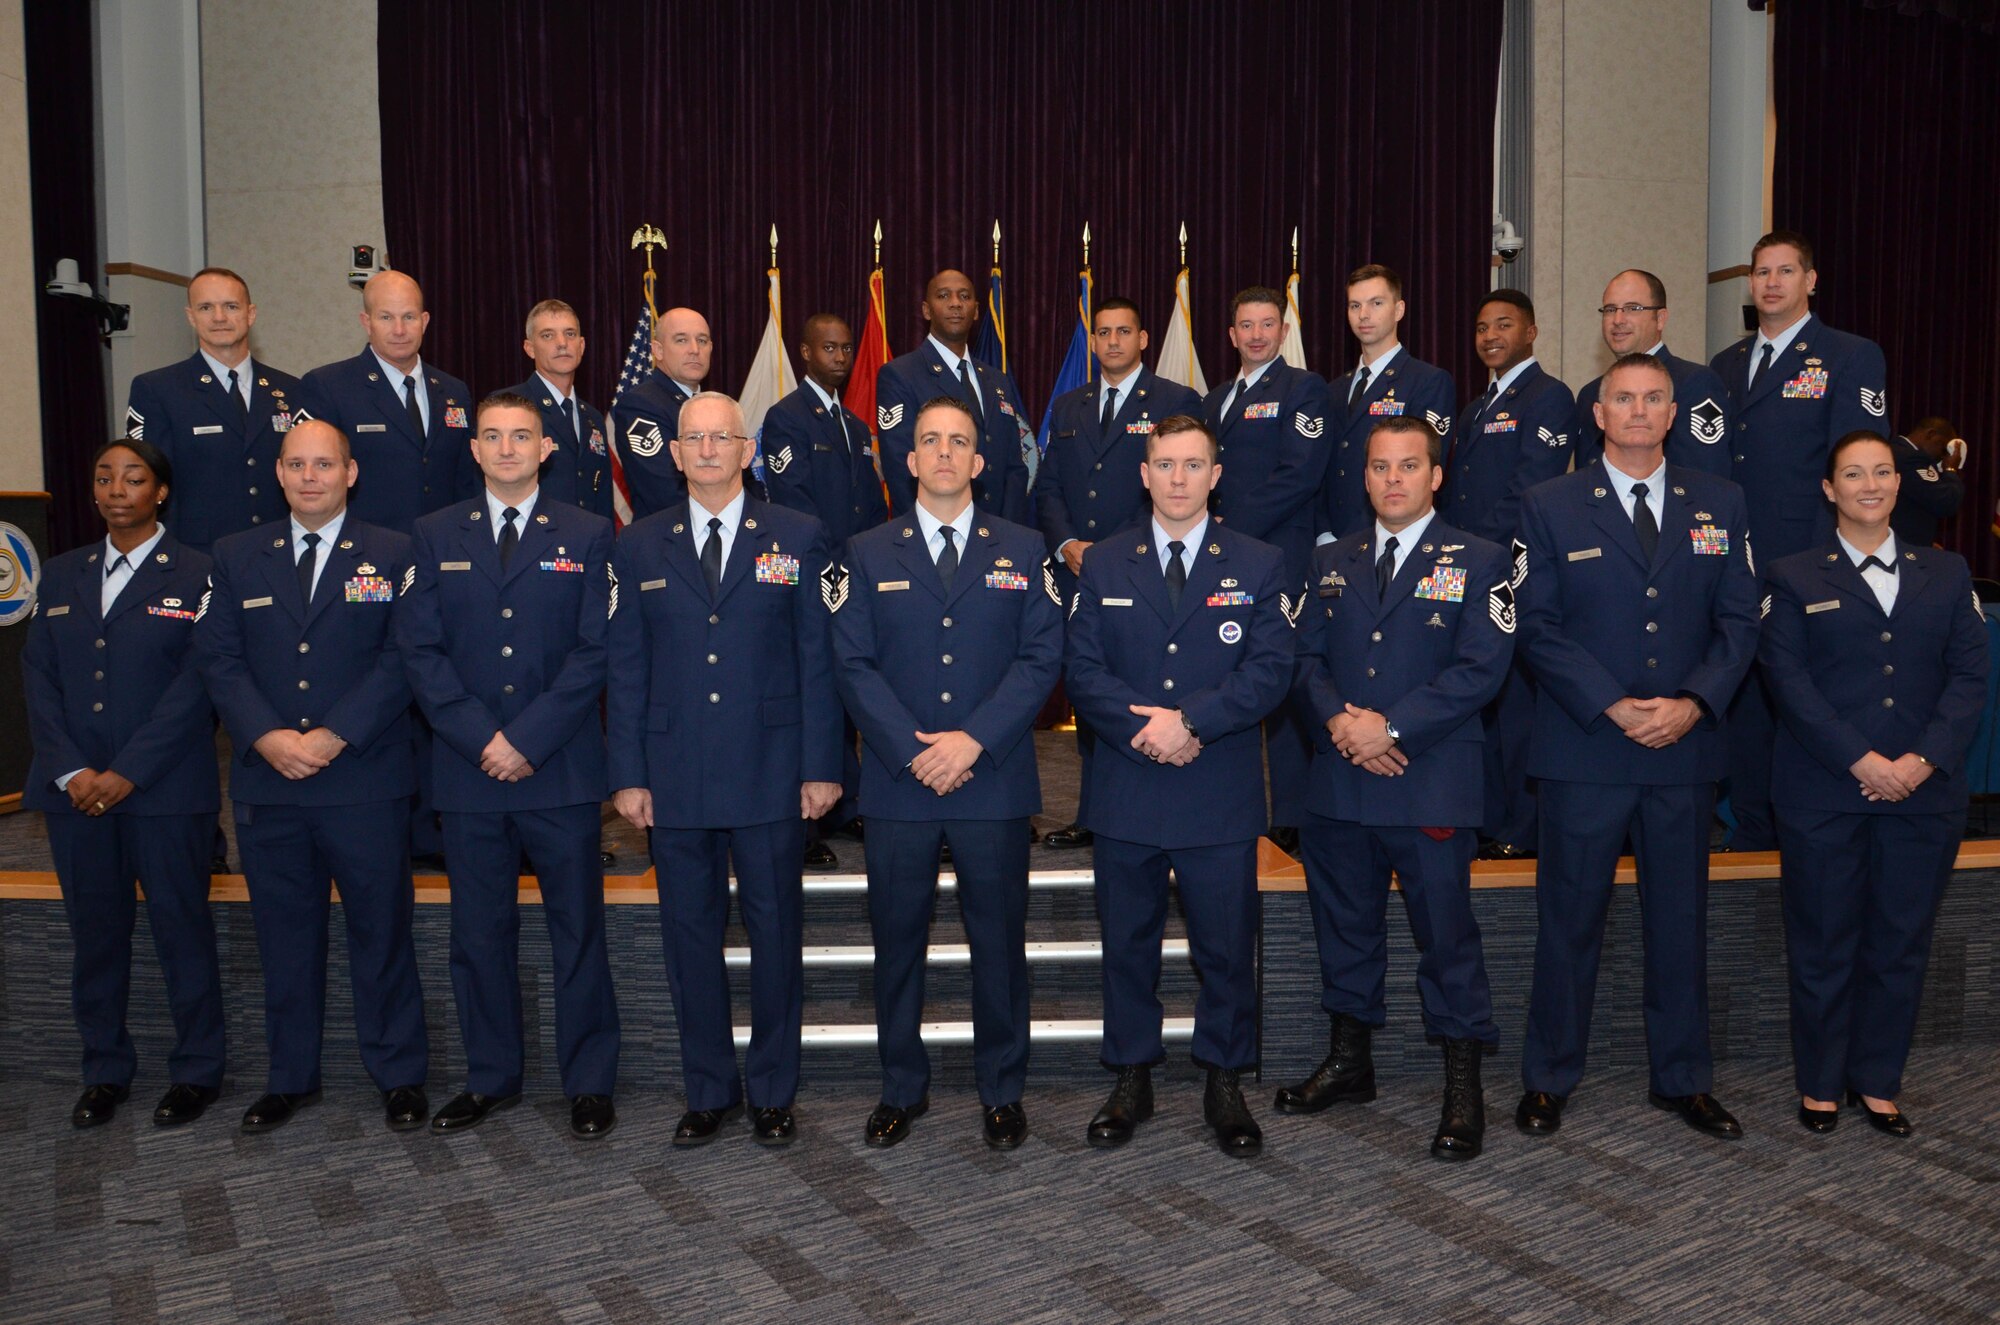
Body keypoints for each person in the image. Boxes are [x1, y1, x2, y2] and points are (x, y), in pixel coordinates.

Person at [1513, 354, 1760, 1142]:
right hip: (1587, 747)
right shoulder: (1548, 504)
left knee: (1680, 921)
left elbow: (1740, 621)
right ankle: (1549, 1077)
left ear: (1674, 410)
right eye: (1624, 398)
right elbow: (1535, 624)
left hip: (1682, 750)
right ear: (1599, 412)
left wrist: (1692, 702)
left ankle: (1683, 1079)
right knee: (1569, 923)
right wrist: (1615, 704)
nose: (1640, 410)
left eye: (1655, 398)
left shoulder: (1720, 501)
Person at [608, 392, 843, 1149]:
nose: (708, 450)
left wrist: (821, 764)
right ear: (673, 455)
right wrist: (629, 773)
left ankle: (774, 1090)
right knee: (689, 938)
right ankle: (709, 1088)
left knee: (777, 936)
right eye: (694, 439)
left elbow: (819, 659)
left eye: (723, 438)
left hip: (774, 770)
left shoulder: (799, 534)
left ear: (748, 450)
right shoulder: (639, 545)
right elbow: (627, 667)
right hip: (673, 775)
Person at [1278, 415, 1515, 1161]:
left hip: (1430, 780)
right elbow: (1302, 657)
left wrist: (1394, 729)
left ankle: (1462, 1085)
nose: (1392, 480)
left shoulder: (1481, 560)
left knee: (1446, 937)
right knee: (1344, 926)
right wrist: (1342, 725)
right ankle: (1351, 1062)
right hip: (1340, 777)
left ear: (1436, 475)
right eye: (1380, 466)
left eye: (1408, 466)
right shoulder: (1331, 561)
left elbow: (1482, 668)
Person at [832, 396, 1064, 1150]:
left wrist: (972, 741)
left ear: (978, 461)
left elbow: (1040, 660)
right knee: (897, 942)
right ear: (908, 459)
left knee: (998, 942)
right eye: (928, 440)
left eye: (956, 441)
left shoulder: (1025, 548)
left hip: (990, 780)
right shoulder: (867, 551)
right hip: (899, 784)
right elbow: (853, 663)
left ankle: (1003, 1090)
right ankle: (903, 1087)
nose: (941, 453)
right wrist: (911, 747)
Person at [1065, 414, 1295, 1156]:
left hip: (1216, 784)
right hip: (1129, 783)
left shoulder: (1260, 563)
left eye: (1193, 465)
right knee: (1126, 943)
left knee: (1225, 947)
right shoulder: (1102, 562)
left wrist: (1190, 721)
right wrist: (1146, 730)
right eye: (1165, 464)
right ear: (1144, 472)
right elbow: (1083, 670)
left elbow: (1269, 670)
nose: (1178, 478)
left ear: (1215, 475)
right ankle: (1131, 1073)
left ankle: (1224, 1079)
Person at [195, 419, 429, 1134]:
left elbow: (404, 657)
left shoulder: (394, 552)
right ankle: (289, 1078)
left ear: (350, 473)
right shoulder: (236, 555)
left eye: (324, 463)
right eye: (296, 464)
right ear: (278, 472)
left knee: (380, 933)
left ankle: (398, 1075)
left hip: (362, 777)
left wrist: (333, 734)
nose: (309, 476)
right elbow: (219, 658)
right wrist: (266, 736)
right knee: (284, 939)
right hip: (271, 785)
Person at [400, 391, 621, 1139]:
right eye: (491, 436)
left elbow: (596, 652)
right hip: (467, 773)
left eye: (520, 436)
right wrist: (479, 737)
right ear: (473, 449)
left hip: (557, 769)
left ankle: (588, 1082)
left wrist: (525, 738)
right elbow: (420, 652)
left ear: (546, 447)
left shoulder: (590, 533)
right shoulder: (431, 535)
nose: (505, 448)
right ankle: (491, 1077)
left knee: (577, 930)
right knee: (478, 932)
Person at [1760, 430, 1987, 1137]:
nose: (1870, 484)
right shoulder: (1792, 575)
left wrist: (1921, 761)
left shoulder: (1948, 574)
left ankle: (1879, 1079)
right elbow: (1788, 684)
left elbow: (1972, 678)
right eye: (1853, 473)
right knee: (1824, 939)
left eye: (1882, 472)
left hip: (1926, 795)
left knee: (1901, 940)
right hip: (1825, 792)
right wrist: (1862, 760)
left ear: (1898, 484)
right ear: (1829, 489)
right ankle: (1822, 1082)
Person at [22, 438, 225, 1129]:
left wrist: (127, 771)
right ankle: (105, 1068)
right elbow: (39, 681)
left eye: (133, 478)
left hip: (165, 791)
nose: (116, 489)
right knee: (96, 937)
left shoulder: (201, 573)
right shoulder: (59, 574)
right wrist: (75, 770)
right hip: (75, 794)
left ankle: (197, 1069)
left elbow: (198, 685)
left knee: (181, 930)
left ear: (160, 491)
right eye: (104, 476)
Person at [1711, 229, 1890, 852]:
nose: (1772, 283)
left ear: (1810, 280)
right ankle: (1752, 830)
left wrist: (1829, 561)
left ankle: (1805, 831)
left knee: (1804, 698)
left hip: (1809, 562)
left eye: (1786, 271)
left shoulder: (1849, 355)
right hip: (1735, 562)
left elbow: (1858, 463)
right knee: (1746, 700)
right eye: (1762, 272)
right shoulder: (1726, 365)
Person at [1036, 296, 1201, 850]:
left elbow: (1174, 489)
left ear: (1144, 338)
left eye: (1123, 331)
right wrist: (1066, 544)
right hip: (1074, 567)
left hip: (1142, 568)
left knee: (1144, 679)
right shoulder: (1068, 405)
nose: (1111, 342)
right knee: (1091, 688)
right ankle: (1093, 810)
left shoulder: (1177, 400)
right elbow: (1051, 487)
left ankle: (1161, 795)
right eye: (1103, 332)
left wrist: (1107, 552)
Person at [1438, 288, 1574, 862]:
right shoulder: (1475, 407)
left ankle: (1523, 827)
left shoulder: (1549, 397)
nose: (1490, 336)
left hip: (1512, 571)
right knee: (1482, 703)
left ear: (1532, 332)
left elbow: (1529, 490)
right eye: (1481, 327)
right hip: (1473, 569)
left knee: (1518, 704)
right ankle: (1491, 819)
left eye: (1504, 325)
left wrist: (1469, 551)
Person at [1199, 286, 1331, 852]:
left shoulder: (1304, 389)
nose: (1256, 335)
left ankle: (1297, 815)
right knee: (1228, 674)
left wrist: (1227, 531)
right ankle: (1225, 801)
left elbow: (1299, 475)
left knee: (1286, 678)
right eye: (1245, 326)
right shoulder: (1215, 401)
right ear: (1231, 336)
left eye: (1267, 324)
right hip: (1223, 561)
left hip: (1279, 556)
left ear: (1283, 331)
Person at [759, 312, 888, 860]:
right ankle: (806, 823)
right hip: (811, 577)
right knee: (810, 692)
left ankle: (846, 803)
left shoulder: (856, 428)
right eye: (827, 348)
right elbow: (791, 502)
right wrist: (835, 566)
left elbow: (870, 510)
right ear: (806, 353)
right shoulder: (786, 418)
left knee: (847, 690)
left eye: (845, 348)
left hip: (852, 580)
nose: (839, 356)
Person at [122, 267, 307, 552]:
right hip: (197, 555)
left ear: (251, 313)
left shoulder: (291, 390)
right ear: (191, 317)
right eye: (206, 307)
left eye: (231, 306)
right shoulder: (158, 390)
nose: (219, 317)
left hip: (279, 550)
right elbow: (147, 483)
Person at [297, 271, 477, 534]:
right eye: (386, 317)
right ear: (366, 322)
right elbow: (315, 482)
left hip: (444, 546)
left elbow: (465, 480)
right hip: (366, 552)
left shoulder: (453, 390)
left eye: (409, 317)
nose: (399, 330)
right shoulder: (328, 386)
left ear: (424, 321)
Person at [873, 269, 1031, 522]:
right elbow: (900, 466)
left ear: (976, 310)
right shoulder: (901, 374)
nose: (956, 303)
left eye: (964, 296)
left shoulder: (996, 380)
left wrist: (1007, 531)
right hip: (937, 534)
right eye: (944, 296)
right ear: (926, 310)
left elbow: (1014, 466)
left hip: (998, 534)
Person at [1317, 264, 1457, 540]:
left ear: (1399, 309)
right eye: (1354, 306)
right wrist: (1323, 532)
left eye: (1376, 303)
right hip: (1331, 541)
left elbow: (1420, 467)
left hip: (1392, 534)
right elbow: (1320, 469)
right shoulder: (1333, 389)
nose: (1364, 315)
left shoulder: (1427, 381)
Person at [1572, 270, 1731, 476]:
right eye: (1610, 309)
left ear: (1660, 318)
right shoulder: (1590, 393)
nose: (1618, 319)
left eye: (1632, 308)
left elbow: (1705, 479)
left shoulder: (1694, 383)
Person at [507, 299, 612, 519]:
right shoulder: (511, 405)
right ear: (529, 348)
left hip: (588, 541)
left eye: (570, 334)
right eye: (548, 335)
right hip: (533, 540)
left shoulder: (592, 417)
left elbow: (601, 495)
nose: (562, 343)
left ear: (581, 346)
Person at [608, 306, 712, 521]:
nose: (694, 349)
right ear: (658, 350)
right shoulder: (641, 404)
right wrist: (724, 513)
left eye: (702, 340)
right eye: (681, 340)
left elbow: (743, 477)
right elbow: (664, 489)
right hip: (669, 539)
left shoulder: (717, 406)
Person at [1887, 416, 1966, 548]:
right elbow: (1945, 501)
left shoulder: (1894, 450)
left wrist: (1926, 542)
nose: (1943, 456)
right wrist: (1951, 469)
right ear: (1931, 434)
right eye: (1943, 448)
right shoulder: (1910, 458)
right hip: (1902, 547)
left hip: (1902, 543)